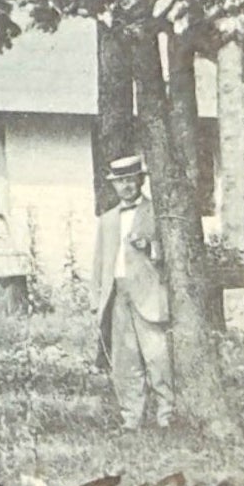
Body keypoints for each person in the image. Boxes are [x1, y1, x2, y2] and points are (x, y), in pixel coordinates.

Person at [91, 155, 175, 429]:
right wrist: (97, 299)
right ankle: (131, 419)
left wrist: (150, 248)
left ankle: (166, 417)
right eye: (120, 182)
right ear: (114, 186)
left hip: (148, 295)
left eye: (131, 180)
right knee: (124, 361)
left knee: (157, 357)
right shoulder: (107, 219)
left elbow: (172, 253)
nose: (126, 186)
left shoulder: (156, 212)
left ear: (141, 180)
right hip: (118, 295)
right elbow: (100, 262)